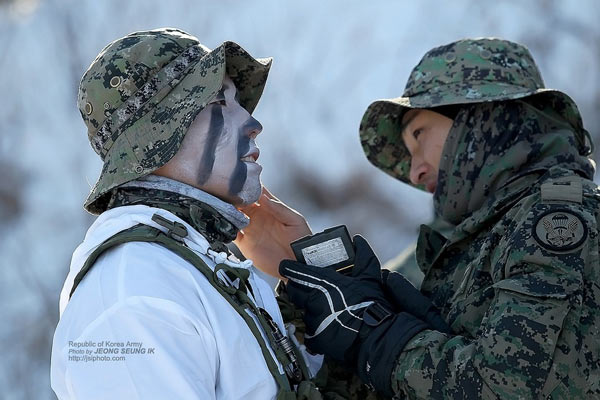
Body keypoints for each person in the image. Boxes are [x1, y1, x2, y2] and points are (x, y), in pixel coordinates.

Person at [240, 38, 600, 398]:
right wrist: (316, 270)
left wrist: (374, 333)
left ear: (480, 117)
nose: (414, 173)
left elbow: (503, 387)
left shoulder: (557, 219)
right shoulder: (490, 235)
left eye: (418, 134)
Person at [50, 28, 323, 399]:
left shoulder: (197, 264)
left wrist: (312, 281)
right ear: (158, 137)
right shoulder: (134, 297)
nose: (253, 124)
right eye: (219, 103)